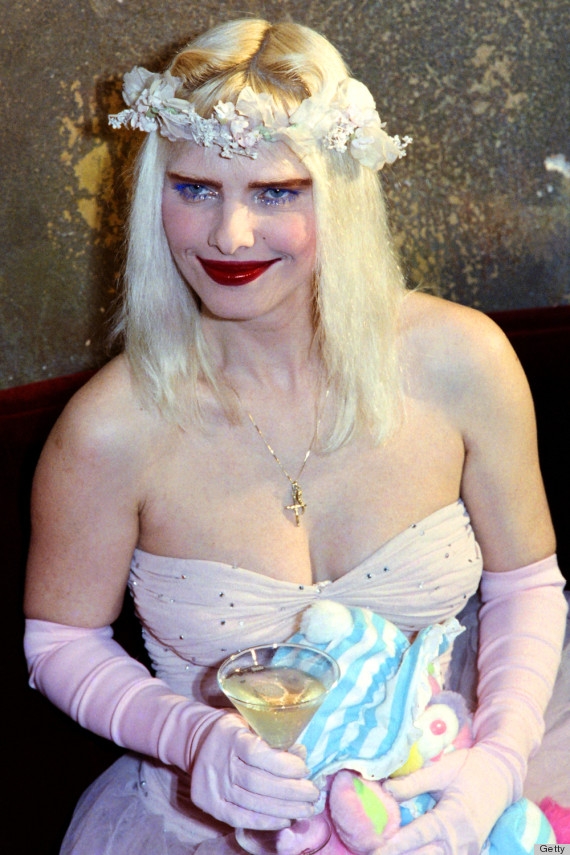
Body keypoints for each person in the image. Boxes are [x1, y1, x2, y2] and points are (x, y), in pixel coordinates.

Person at [23, 17, 567, 855]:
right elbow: (62, 639)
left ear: (341, 191)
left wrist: (495, 768)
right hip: (211, 829)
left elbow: (526, 582)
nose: (229, 235)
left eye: (276, 192)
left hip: (462, 773)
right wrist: (191, 737)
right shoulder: (108, 429)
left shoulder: (463, 360)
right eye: (195, 188)